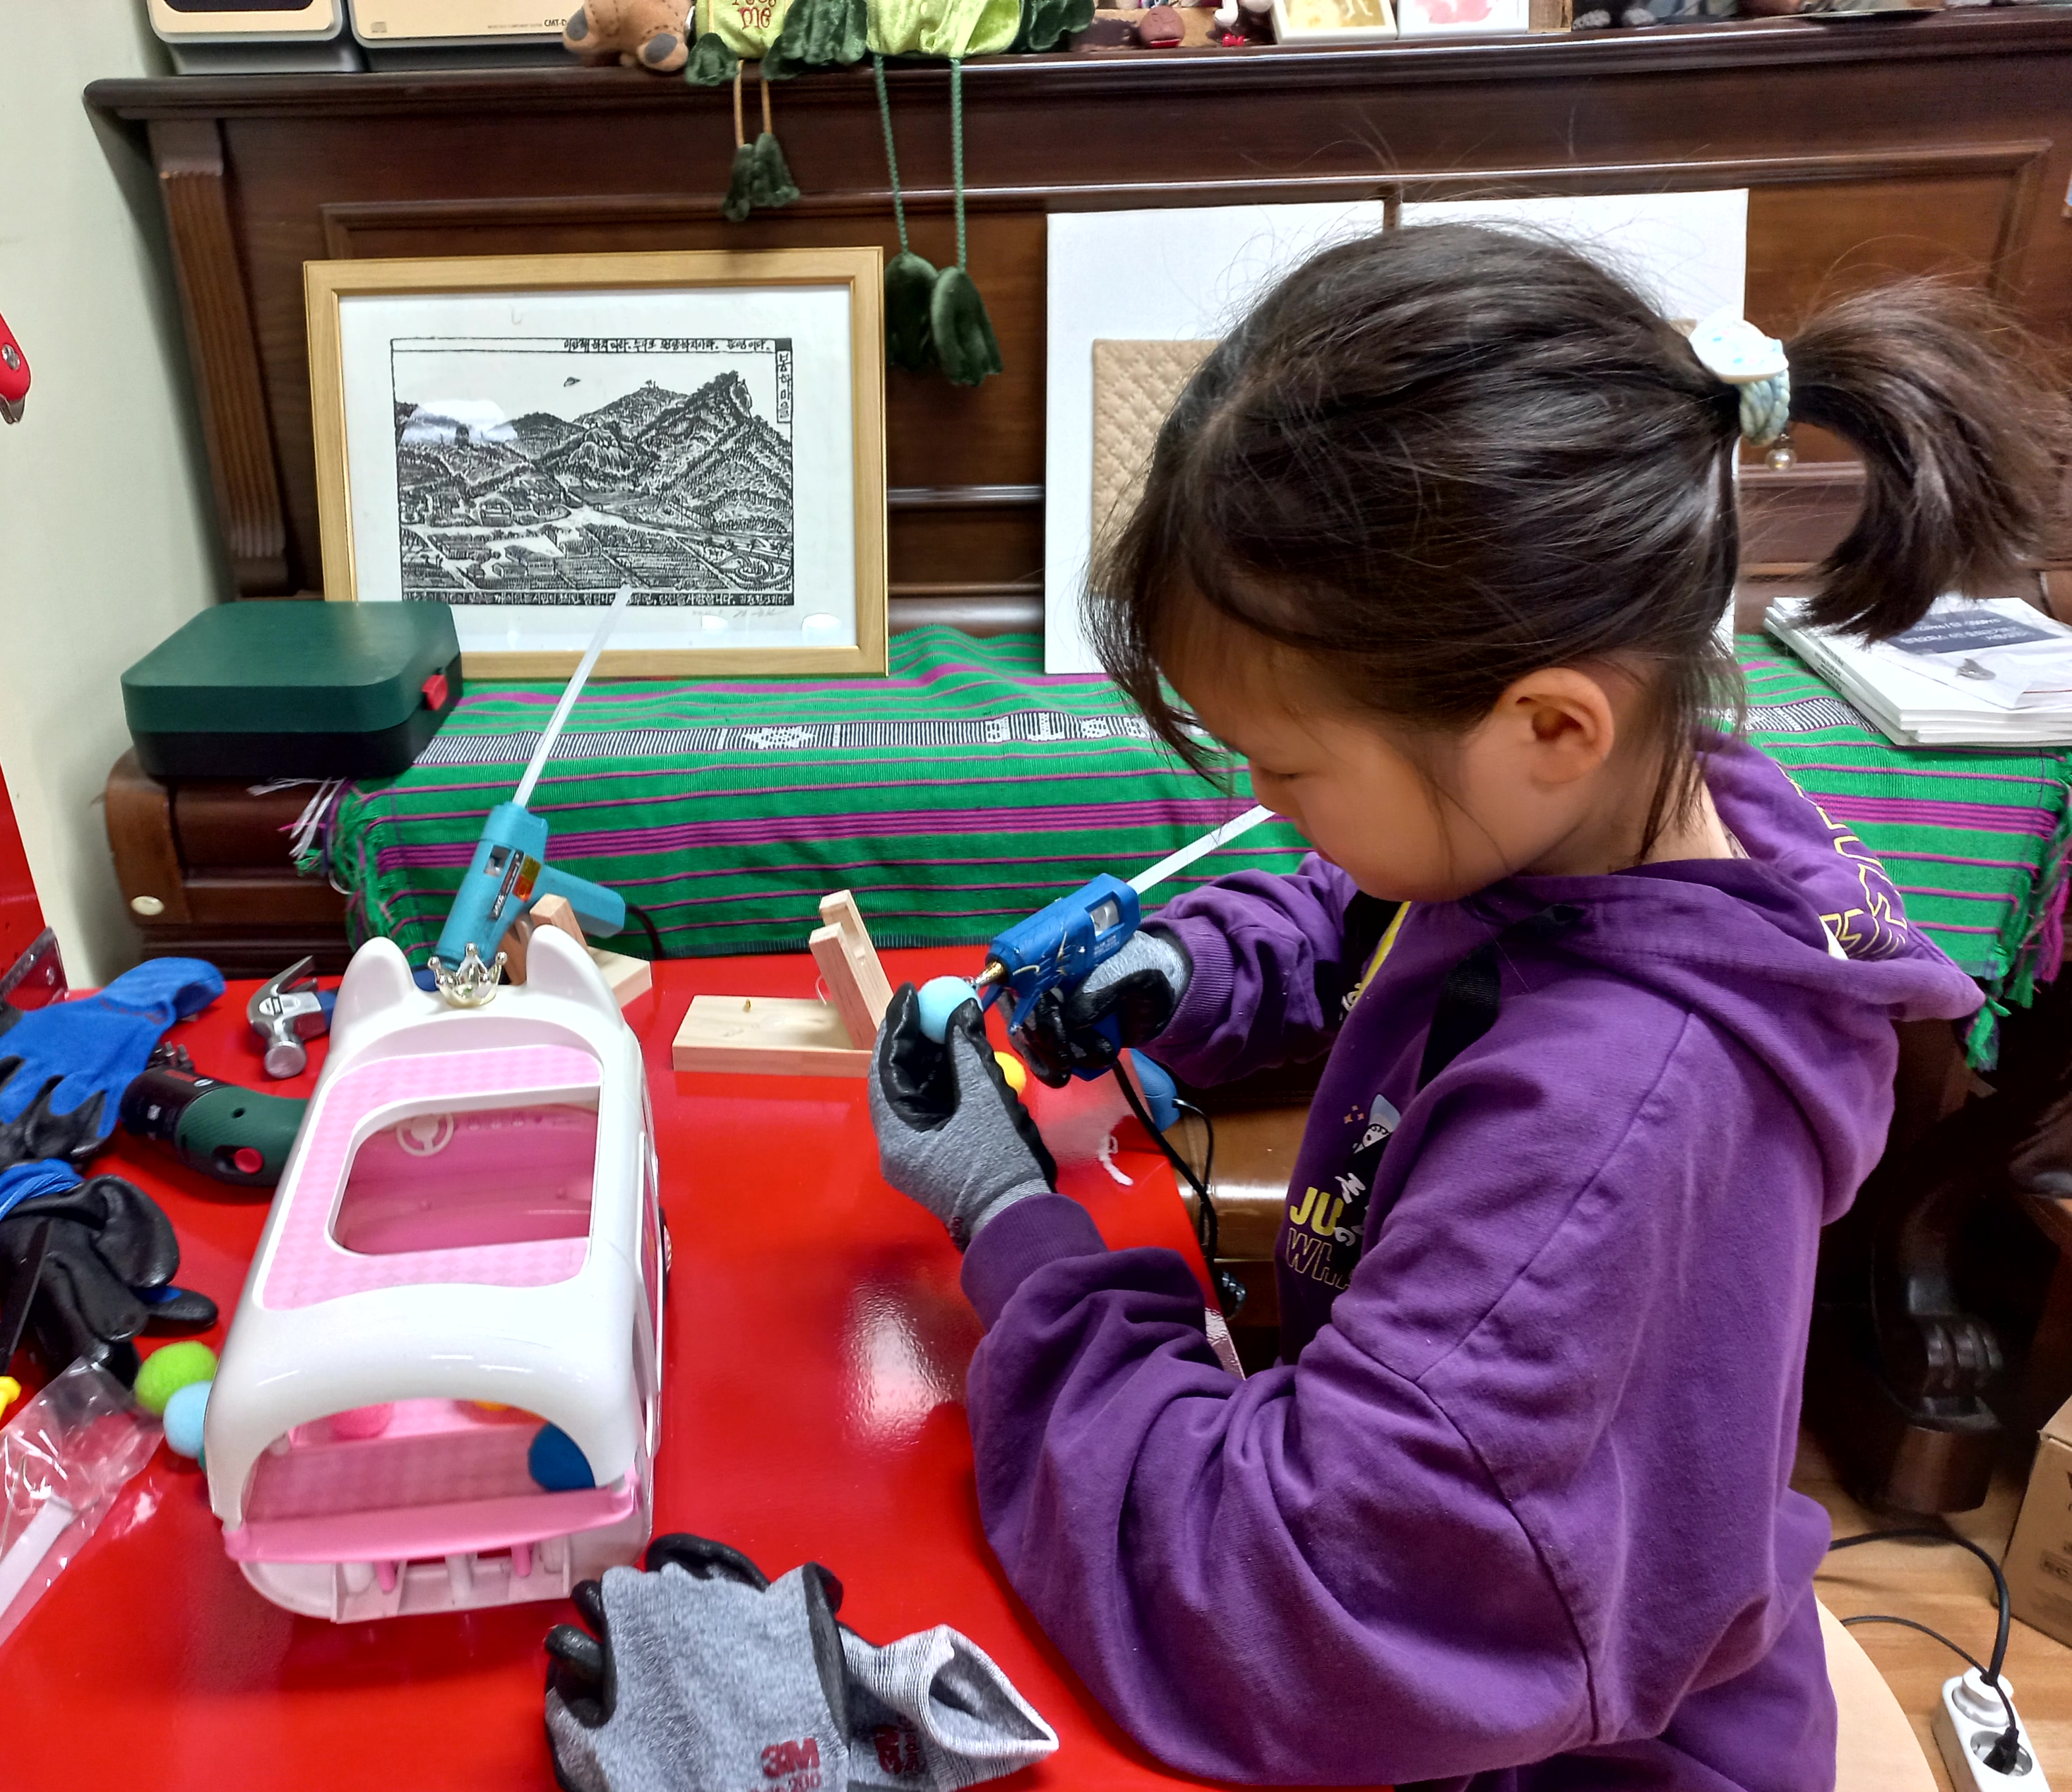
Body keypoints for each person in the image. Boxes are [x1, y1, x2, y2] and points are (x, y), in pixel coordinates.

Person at [864, 224, 2069, 1790]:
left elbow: (1272, 1596)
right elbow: (1376, 904)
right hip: (1534, 1627)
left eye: (1290, 769)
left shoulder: (1605, 1133)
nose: (1266, 807)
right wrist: (1190, 971)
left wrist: (1014, 1231)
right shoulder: (1634, 815)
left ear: (1550, 725)